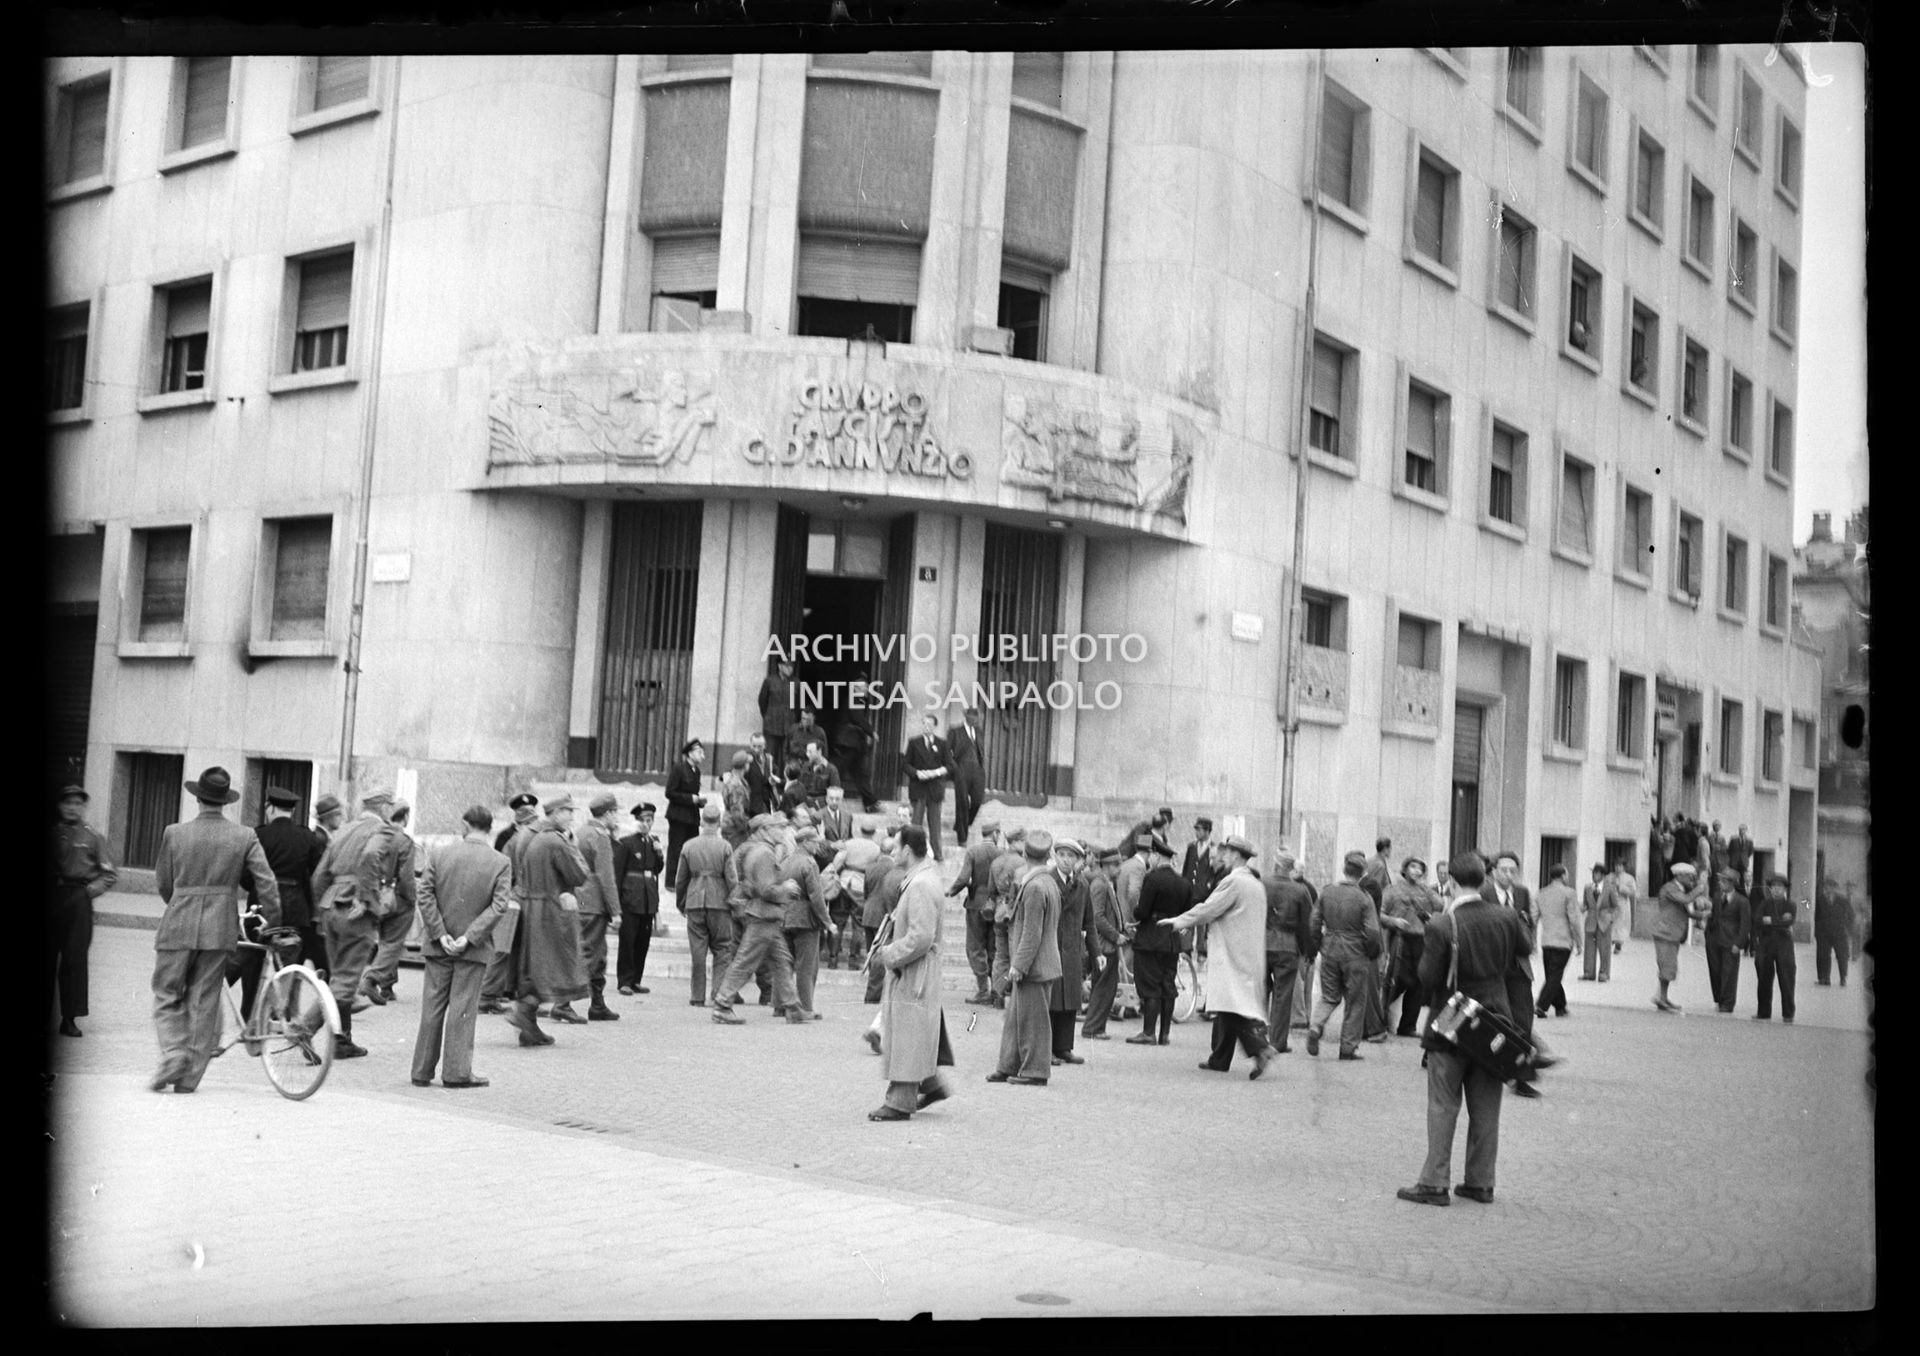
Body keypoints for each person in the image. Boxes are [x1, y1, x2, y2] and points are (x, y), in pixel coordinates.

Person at [1396, 852, 1531, 1207]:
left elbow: (1426, 977)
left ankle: (1435, 1182)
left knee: (1443, 1103)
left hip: (1453, 1018)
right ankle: (1481, 1182)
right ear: (1484, 880)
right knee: (1487, 1107)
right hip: (1495, 1019)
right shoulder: (1506, 916)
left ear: (1453, 883)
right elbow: (1525, 949)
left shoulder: (1443, 923)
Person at [150, 767, 280, 1093]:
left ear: (197, 797)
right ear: (225, 801)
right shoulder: (244, 835)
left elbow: (164, 883)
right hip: (220, 926)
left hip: (178, 920)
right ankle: (189, 1076)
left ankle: (173, 1053)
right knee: (204, 1000)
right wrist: (273, 922)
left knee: (166, 992)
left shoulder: (174, 833)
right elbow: (267, 884)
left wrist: (180, 902)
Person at [410, 805, 512, 1089]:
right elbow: (499, 905)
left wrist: (440, 933)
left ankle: (421, 1070)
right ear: (489, 829)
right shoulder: (500, 862)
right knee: (463, 1009)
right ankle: (456, 1073)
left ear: (465, 825)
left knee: (432, 1006)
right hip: (473, 948)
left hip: (438, 945)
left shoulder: (440, 854)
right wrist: (470, 937)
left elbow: (425, 893)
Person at [1162, 835, 1279, 1079]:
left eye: (1227, 852)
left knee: (1230, 1007)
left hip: (1230, 955)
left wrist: (1178, 921)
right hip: (1248, 955)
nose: (1223, 855)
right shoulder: (1255, 885)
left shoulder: (1233, 882)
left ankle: (1260, 1048)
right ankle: (1220, 1058)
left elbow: (1208, 909)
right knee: (1229, 1005)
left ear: (1236, 855)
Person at [312, 789, 415, 1058]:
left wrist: (322, 912)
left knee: (339, 976)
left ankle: (342, 1040)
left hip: (331, 906)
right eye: (390, 806)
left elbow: (319, 876)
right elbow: (370, 857)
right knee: (346, 981)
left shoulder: (344, 830)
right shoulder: (383, 830)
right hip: (356, 910)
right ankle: (304, 1028)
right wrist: (368, 900)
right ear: (383, 808)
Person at [868, 825, 956, 1120]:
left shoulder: (919, 885)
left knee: (907, 1034)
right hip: (917, 971)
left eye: (895, 847)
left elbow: (920, 938)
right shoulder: (923, 879)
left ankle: (900, 1101)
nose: (892, 852)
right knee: (914, 1032)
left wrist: (889, 954)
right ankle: (930, 1085)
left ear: (907, 850)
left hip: (914, 972)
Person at [710, 814, 808, 1024]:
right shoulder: (764, 853)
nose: (782, 831)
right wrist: (786, 888)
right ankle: (722, 1004)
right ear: (764, 829)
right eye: (778, 827)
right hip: (763, 916)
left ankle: (792, 1006)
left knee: (782, 961)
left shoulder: (757, 850)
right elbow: (766, 889)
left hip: (764, 916)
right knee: (745, 961)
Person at [990, 830, 1061, 1085]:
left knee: (1033, 1021)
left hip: (1035, 965)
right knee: (1015, 1019)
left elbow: (1032, 933)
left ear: (1025, 854)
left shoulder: (1034, 886)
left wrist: (1019, 965)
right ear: (1049, 855)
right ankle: (1008, 1064)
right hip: (1041, 962)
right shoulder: (1047, 882)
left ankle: (1035, 1070)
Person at [51, 784, 116, 1039]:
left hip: (79, 898)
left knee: (74, 959)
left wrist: (89, 892)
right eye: (68, 802)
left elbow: (109, 874)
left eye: (78, 803)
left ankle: (69, 1018)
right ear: (60, 806)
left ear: (83, 807)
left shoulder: (92, 837)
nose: (72, 807)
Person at [1306, 851, 1385, 1060]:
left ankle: (1316, 1025)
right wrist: (1370, 951)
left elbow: (1314, 922)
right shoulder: (1364, 897)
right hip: (1355, 952)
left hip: (1330, 948)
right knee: (1356, 1001)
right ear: (1362, 874)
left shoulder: (1327, 891)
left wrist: (1316, 946)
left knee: (1329, 996)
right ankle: (1348, 1047)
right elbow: (1373, 931)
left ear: (1344, 869)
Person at [560, 792, 622, 1023]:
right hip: (594, 904)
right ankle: (565, 1002)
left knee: (590, 951)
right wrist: (615, 911)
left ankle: (596, 1003)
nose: (617, 817)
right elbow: (607, 878)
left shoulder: (581, 832)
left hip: (580, 899)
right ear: (608, 813)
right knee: (592, 954)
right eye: (615, 812)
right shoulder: (600, 836)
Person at [480, 791, 540, 1013]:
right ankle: (488, 996)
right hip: (513, 899)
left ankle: (501, 992)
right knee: (503, 948)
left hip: (516, 898)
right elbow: (505, 870)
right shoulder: (514, 840)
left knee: (509, 948)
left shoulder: (521, 840)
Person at [1127, 835, 1187, 1046]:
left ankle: (1149, 1032)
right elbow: (1187, 911)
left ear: (1156, 856)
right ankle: (1165, 1034)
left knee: (1150, 984)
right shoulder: (1183, 882)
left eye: (1151, 854)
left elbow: (1142, 911)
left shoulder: (1152, 878)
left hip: (1151, 937)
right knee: (1168, 985)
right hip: (1171, 938)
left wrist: (1136, 913)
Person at [676, 803, 735, 1006]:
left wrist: (681, 902)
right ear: (718, 823)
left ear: (701, 822)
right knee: (722, 949)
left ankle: (697, 996)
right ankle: (718, 993)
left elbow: (680, 880)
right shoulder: (725, 846)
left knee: (698, 952)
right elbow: (732, 880)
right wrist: (734, 903)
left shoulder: (688, 845)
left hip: (694, 900)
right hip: (719, 902)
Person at [1047, 839, 1097, 1066]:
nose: (1066, 860)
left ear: (1077, 860)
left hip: (1073, 950)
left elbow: (1090, 921)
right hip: (1052, 947)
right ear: (1055, 857)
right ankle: (1046, 1048)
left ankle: (1064, 1047)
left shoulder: (1083, 884)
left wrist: (1097, 953)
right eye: (1062, 855)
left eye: (1071, 856)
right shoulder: (1047, 880)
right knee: (1051, 1000)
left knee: (1069, 1001)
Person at [1481, 851, 1538, 1045]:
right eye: (1504, 870)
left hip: (1518, 962)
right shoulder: (1484, 894)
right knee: (1497, 1014)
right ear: (1494, 872)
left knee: (1523, 1012)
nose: (1508, 875)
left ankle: (1523, 1056)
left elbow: (1529, 921)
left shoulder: (1522, 893)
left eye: (1513, 871)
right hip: (1493, 963)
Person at [1262, 847, 1314, 1053]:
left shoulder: (1262, 884)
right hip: (1288, 945)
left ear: (1275, 864)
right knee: (1283, 995)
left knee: (1260, 992)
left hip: (1262, 943)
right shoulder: (1301, 890)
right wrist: (1309, 951)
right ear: (1291, 868)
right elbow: (1306, 926)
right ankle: (1277, 1041)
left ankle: (1257, 1036)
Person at [1379, 855, 1436, 1037]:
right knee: (1397, 979)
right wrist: (1393, 920)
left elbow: (1440, 905)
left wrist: (1426, 891)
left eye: (1420, 868)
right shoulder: (1393, 890)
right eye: (1413, 866)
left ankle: (1408, 1026)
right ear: (1405, 869)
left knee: (1419, 984)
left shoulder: (1425, 891)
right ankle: (1378, 1019)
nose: (1416, 871)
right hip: (1401, 939)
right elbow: (1379, 913)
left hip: (1421, 940)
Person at [948, 818, 1003, 1005]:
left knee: (975, 947)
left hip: (975, 904)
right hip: (995, 905)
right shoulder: (1001, 853)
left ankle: (982, 990)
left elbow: (964, 878)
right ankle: (997, 991)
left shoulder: (973, 852)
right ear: (995, 834)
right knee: (993, 947)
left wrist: (952, 890)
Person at [781, 823, 832, 1020]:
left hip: (785, 915)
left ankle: (780, 1004)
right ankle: (805, 1007)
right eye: (814, 842)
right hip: (805, 919)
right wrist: (827, 921)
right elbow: (816, 897)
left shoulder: (785, 861)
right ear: (805, 843)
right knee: (806, 966)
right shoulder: (809, 864)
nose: (817, 846)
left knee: (784, 963)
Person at [613, 802, 664, 996]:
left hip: (648, 898)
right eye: (642, 820)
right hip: (630, 898)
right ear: (636, 821)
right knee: (628, 940)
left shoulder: (654, 841)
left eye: (649, 820)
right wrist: (616, 903)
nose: (645, 824)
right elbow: (618, 873)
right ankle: (624, 980)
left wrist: (659, 853)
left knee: (643, 941)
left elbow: (657, 869)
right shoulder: (626, 842)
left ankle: (636, 980)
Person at [1650, 862, 1709, 1013]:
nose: (1691, 879)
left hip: (1672, 934)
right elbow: (1685, 900)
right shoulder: (1670, 888)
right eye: (1689, 876)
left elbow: (1686, 911)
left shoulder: (1680, 889)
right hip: (1665, 933)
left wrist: (1703, 915)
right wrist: (1699, 889)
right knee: (1666, 966)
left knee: (1669, 967)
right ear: (1679, 875)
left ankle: (1662, 997)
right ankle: (1661, 998)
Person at [825, 819, 883, 969]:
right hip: (860, 886)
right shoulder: (876, 849)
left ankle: (833, 958)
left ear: (859, 830)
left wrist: (833, 877)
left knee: (837, 921)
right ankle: (853, 960)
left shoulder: (849, 844)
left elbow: (837, 863)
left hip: (844, 883)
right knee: (858, 926)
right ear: (874, 833)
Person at [1081, 847, 1125, 1040]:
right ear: (1106, 865)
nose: (1120, 868)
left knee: (1105, 987)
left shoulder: (1105, 882)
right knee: (1104, 988)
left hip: (1106, 945)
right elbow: (1096, 917)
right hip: (1104, 946)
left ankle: (1096, 1027)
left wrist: (1123, 925)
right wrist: (1116, 936)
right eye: (1116, 864)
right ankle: (1093, 1028)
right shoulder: (1100, 885)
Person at [1532, 864, 1581, 1020]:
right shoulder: (1569, 893)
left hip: (1546, 940)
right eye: (1566, 874)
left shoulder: (1541, 893)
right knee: (1555, 976)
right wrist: (1579, 941)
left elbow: (1533, 917)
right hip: (1563, 940)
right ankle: (1541, 1005)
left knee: (1552, 974)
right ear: (1562, 876)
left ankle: (1561, 1007)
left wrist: (1532, 940)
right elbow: (1574, 919)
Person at [988, 827, 1028, 1005]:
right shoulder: (1021, 863)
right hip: (1014, 912)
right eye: (1024, 841)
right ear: (1017, 842)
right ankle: (1010, 992)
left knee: (1000, 954)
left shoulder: (996, 862)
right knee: (1014, 953)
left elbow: (991, 890)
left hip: (998, 910)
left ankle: (997, 992)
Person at [1751, 874, 1798, 1023]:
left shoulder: (1790, 905)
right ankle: (1763, 1011)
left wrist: (1770, 920)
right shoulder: (1764, 904)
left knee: (1787, 977)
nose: (1776, 889)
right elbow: (1757, 920)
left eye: (1780, 886)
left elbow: (1789, 921)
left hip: (1784, 944)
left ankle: (1788, 1013)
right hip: (1766, 943)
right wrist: (1778, 921)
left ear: (1784, 889)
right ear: (1770, 889)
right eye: (1774, 886)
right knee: (1763, 976)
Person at [903, 713, 951, 861]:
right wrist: (917, 773)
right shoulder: (914, 742)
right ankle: (913, 853)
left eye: (929, 724)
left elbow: (950, 765)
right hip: (919, 787)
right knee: (916, 822)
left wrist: (936, 772)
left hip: (935, 789)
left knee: (935, 823)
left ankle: (938, 853)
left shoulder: (942, 744)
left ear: (935, 726)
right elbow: (905, 764)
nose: (926, 727)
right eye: (924, 724)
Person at [1705, 868, 1752, 1014]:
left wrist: (1739, 944)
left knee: (1729, 972)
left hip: (1731, 941)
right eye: (1720, 881)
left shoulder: (1742, 901)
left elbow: (1745, 925)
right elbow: (1713, 917)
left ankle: (1728, 1002)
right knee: (1715, 970)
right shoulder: (1717, 897)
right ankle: (1719, 998)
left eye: (1724, 881)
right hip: (1714, 939)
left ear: (1732, 883)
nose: (1720, 884)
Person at [663, 738, 707, 887]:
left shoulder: (697, 771)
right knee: (676, 849)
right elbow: (670, 792)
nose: (702, 756)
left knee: (692, 849)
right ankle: (671, 881)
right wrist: (690, 798)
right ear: (690, 754)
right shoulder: (679, 768)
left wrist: (699, 801)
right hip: (678, 815)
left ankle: (687, 880)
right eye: (699, 752)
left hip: (692, 816)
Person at [945, 708, 987, 844]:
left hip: (977, 770)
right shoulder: (955, 731)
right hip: (961, 769)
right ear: (966, 718)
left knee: (977, 801)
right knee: (962, 802)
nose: (975, 720)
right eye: (972, 717)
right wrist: (955, 768)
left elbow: (981, 751)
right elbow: (946, 752)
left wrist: (981, 767)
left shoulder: (979, 732)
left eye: (976, 718)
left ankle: (961, 824)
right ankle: (962, 838)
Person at [833, 709, 879, 812]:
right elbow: (858, 717)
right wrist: (871, 731)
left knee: (858, 773)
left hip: (855, 744)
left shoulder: (859, 699)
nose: (867, 691)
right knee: (839, 770)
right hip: (849, 742)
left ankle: (870, 802)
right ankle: (825, 794)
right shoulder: (855, 698)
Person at [1814, 877, 1853, 987]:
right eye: (1827, 887)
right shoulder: (1820, 899)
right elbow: (1816, 915)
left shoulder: (1843, 900)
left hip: (1839, 932)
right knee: (1823, 955)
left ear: (1835, 888)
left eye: (1831, 887)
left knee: (1842, 955)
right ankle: (1824, 978)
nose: (1829, 889)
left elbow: (1851, 915)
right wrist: (1817, 931)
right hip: (1823, 933)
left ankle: (1843, 978)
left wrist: (1846, 928)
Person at [1579, 864, 1613, 982]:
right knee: (1589, 947)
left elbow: (1616, 905)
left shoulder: (1609, 888)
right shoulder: (1588, 888)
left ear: (1603, 875)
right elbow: (1585, 904)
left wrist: (1611, 918)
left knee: (1604, 949)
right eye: (1593, 873)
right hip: (1591, 919)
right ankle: (1588, 972)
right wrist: (1583, 908)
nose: (1594, 876)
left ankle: (1604, 973)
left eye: (1597, 873)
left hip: (1604, 920)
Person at [759, 658, 795, 769]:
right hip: (772, 725)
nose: (790, 668)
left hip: (788, 726)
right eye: (787, 665)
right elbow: (762, 701)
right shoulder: (769, 681)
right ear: (780, 666)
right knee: (769, 755)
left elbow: (797, 705)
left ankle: (784, 782)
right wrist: (768, 716)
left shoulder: (796, 683)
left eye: (791, 666)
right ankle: (768, 781)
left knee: (786, 757)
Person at [744, 732, 780, 817]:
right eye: (754, 746)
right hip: (750, 805)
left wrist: (772, 780)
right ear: (750, 745)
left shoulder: (769, 759)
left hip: (765, 804)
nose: (756, 749)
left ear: (765, 746)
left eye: (759, 746)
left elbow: (775, 774)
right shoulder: (745, 759)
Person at [720, 751, 752, 820]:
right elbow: (737, 814)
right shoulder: (736, 786)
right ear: (744, 765)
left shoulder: (733, 780)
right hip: (734, 827)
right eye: (748, 763)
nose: (749, 765)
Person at [1727, 824, 1755, 894]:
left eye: (1743, 829)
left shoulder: (1749, 840)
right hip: (1734, 862)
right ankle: (1733, 892)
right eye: (1741, 829)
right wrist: (1733, 858)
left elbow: (1750, 851)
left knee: (1743, 878)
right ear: (1738, 830)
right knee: (1734, 878)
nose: (1742, 831)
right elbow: (1729, 850)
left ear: (1746, 831)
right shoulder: (1733, 839)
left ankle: (1743, 892)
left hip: (1744, 862)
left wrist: (1744, 857)